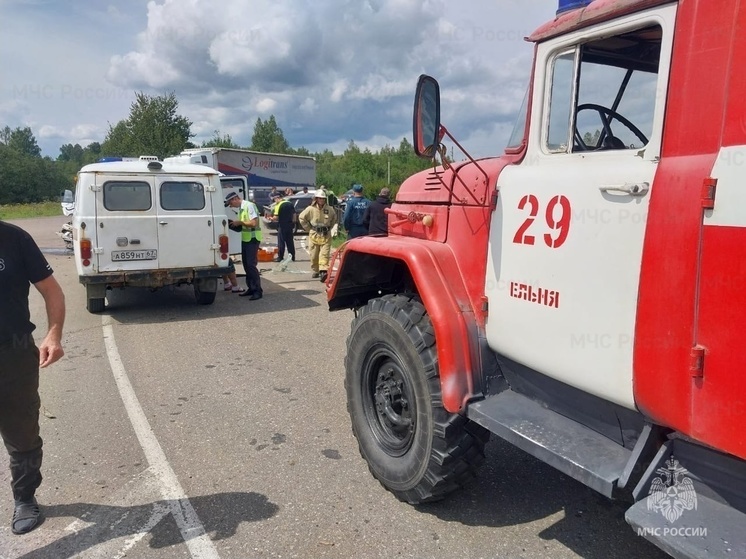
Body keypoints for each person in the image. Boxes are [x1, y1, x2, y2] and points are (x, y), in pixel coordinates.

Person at [0, 220, 66, 535]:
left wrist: (54, 335)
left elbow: (51, 290)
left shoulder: (14, 238)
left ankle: (24, 497)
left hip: (12, 355)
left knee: (22, 430)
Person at [225, 192, 263, 300]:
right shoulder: (241, 208)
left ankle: (257, 290)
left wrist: (240, 222)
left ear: (235, 199)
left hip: (253, 238)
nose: (231, 206)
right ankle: (251, 288)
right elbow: (243, 226)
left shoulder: (249, 205)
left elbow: (253, 223)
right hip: (246, 239)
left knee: (251, 265)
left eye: (230, 203)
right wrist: (234, 224)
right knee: (246, 265)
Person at [299, 188, 337, 282]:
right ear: (316, 199)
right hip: (314, 235)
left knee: (324, 254)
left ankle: (323, 271)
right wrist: (308, 228)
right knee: (314, 255)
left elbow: (334, 219)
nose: (321, 200)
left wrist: (329, 228)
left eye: (323, 198)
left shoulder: (330, 209)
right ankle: (316, 270)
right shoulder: (310, 209)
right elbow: (301, 218)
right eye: (320, 198)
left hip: (325, 235)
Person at [269, 192, 296, 262]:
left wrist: (271, 218)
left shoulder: (278, 205)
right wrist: (293, 223)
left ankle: (280, 257)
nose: (274, 201)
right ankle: (292, 257)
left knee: (281, 242)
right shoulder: (290, 203)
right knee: (290, 242)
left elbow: (276, 217)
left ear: (277, 198)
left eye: (274, 199)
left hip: (282, 225)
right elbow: (294, 215)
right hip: (290, 225)